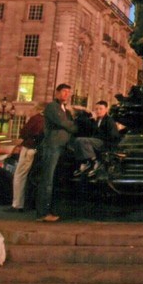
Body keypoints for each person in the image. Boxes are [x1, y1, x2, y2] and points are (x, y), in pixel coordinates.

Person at [36, 83, 81, 222]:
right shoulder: (52, 107)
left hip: (63, 146)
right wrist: (74, 127)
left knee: (55, 180)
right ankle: (42, 213)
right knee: (47, 180)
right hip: (53, 145)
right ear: (57, 93)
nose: (66, 94)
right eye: (64, 91)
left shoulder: (65, 110)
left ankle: (51, 210)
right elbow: (65, 124)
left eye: (68, 92)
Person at [7, 103, 45, 212]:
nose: (30, 112)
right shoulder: (48, 120)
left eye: (32, 110)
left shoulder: (36, 118)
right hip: (38, 150)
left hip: (29, 148)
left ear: (38, 110)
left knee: (20, 175)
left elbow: (24, 132)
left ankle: (17, 204)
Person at [73, 100, 122, 179]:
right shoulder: (97, 121)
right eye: (97, 109)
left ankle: (93, 161)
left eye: (100, 109)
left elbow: (114, 136)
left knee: (83, 141)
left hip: (104, 143)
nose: (98, 111)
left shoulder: (109, 121)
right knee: (77, 141)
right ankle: (85, 162)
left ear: (106, 109)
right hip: (96, 141)